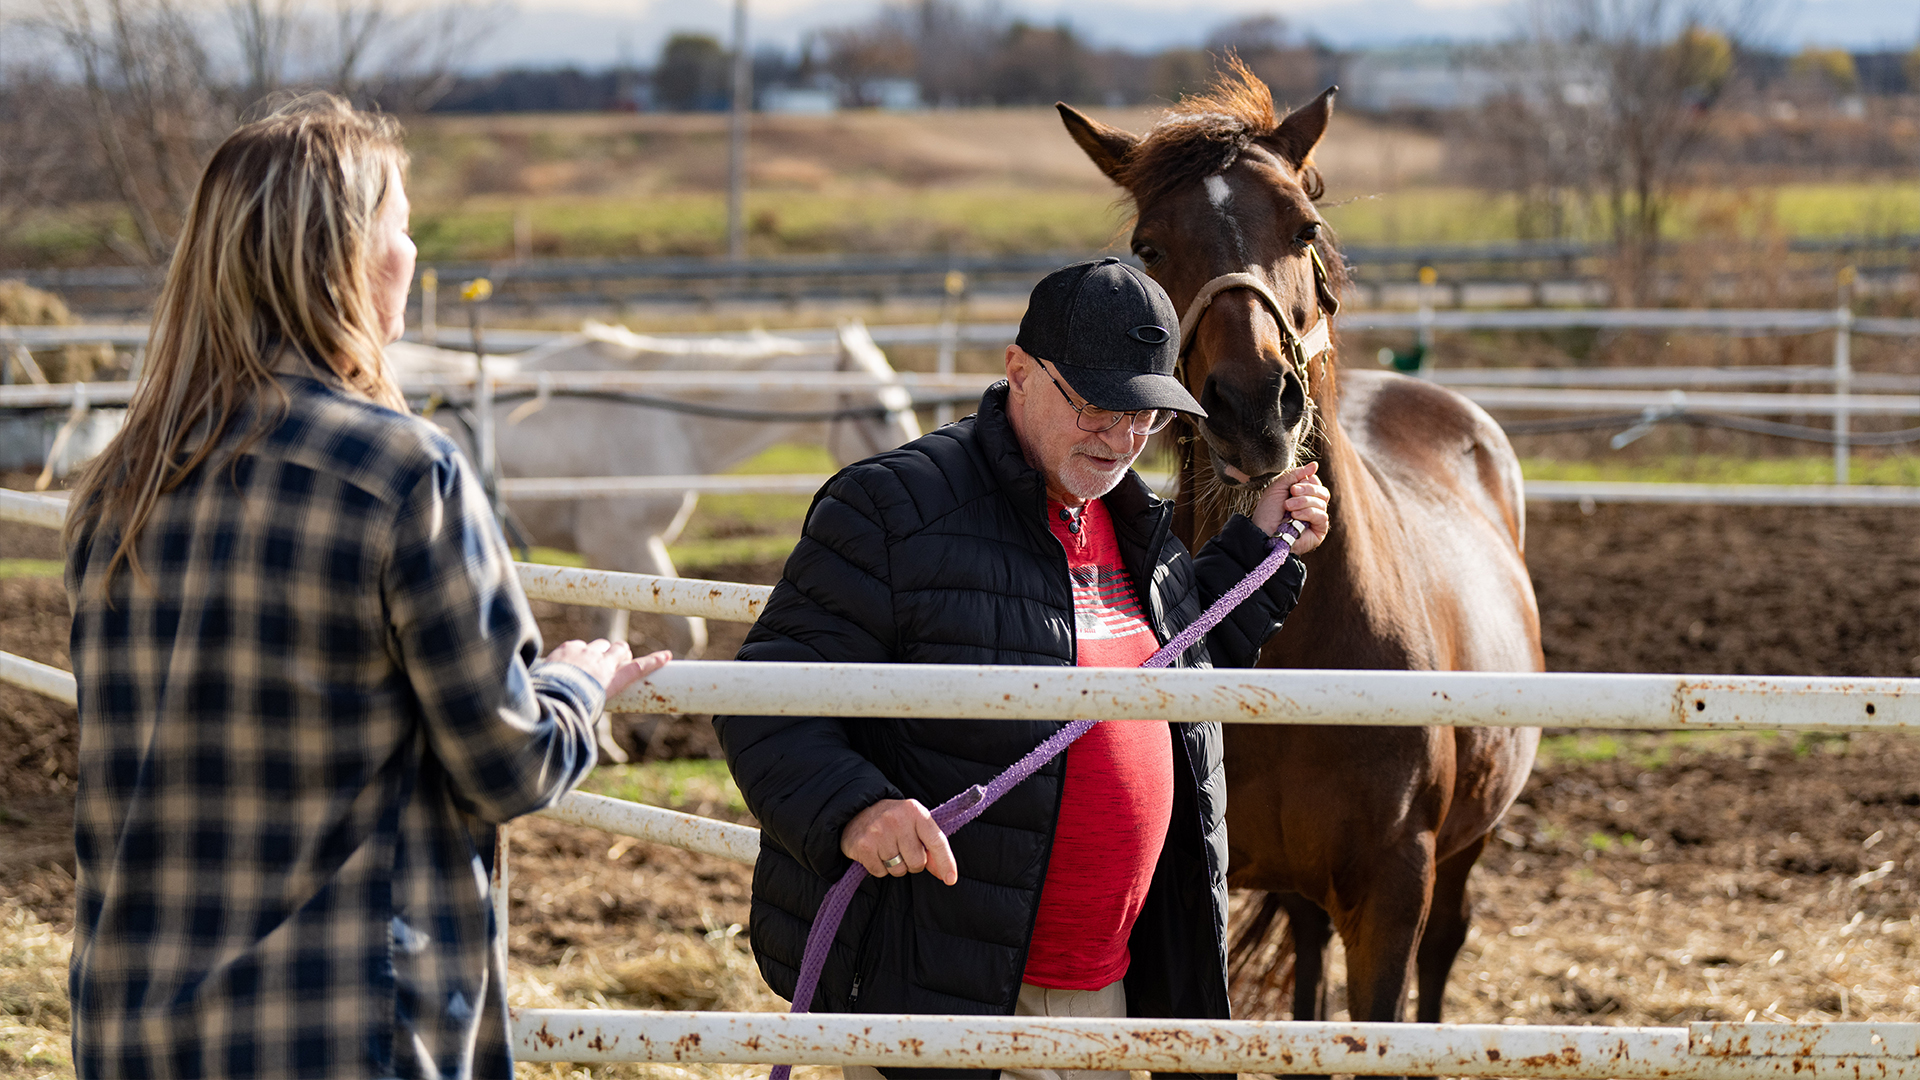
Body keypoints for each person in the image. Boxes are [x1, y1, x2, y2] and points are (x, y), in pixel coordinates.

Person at [61, 96, 667, 1079]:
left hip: (136, 1025)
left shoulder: (118, 488)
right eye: (400, 227)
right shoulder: (402, 473)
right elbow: (506, 765)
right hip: (339, 1024)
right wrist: (577, 687)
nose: (414, 252)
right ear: (343, 258)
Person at [714, 257, 1331, 1079]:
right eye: (1098, 408)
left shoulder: (1131, 522)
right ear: (1018, 373)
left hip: (1108, 991)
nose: (1122, 441)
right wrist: (856, 811)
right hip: (944, 994)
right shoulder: (894, 510)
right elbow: (765, 697)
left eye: (1145, 416)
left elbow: (1185, 670)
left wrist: (1262, 546)